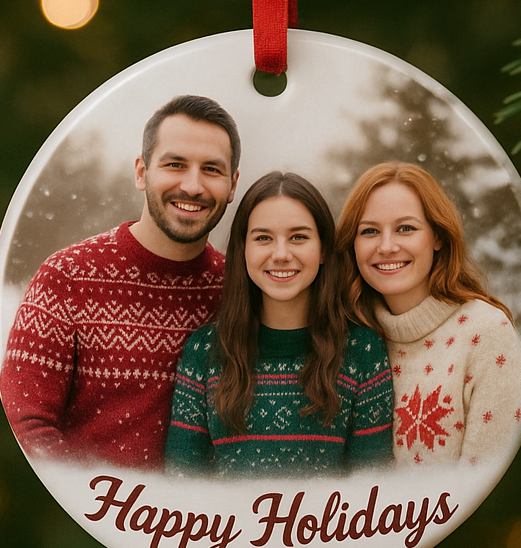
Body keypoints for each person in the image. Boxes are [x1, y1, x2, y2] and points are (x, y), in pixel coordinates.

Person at [0, 94, 241, 468]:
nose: (193, 186)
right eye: (175, 164)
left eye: (212, 169)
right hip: (91, 519)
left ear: (233, 183)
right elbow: (25, 424)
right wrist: (106, 516)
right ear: (142, 172)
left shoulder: (238, 292)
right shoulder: (68, 277)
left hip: (201, 523)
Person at [166, 172, 394, 475]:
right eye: (263, 238)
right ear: (243, 250)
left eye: (298, 237)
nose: (281, 254)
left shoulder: (362, 350)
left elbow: (372, 488)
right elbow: (182, 485)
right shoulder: (205, 351)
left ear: (324, 249)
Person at [337, 162, 521, 470]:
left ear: (438, 236)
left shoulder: (487, 333)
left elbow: (487, 486)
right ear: (352, 244)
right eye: (370, 231)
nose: (387, 246)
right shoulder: (349, 340)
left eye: (406, 228)